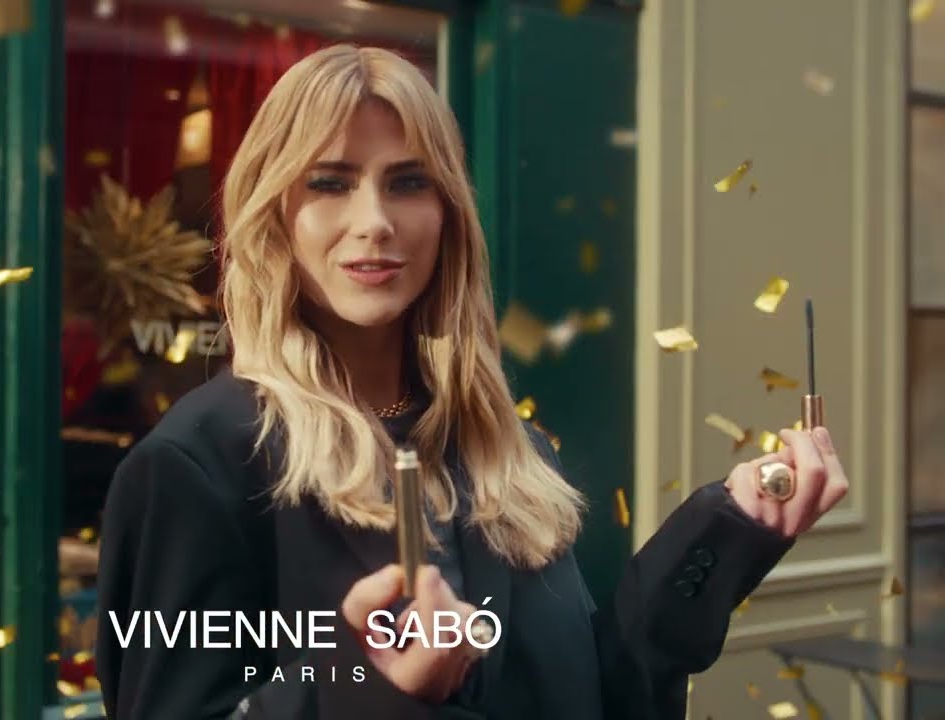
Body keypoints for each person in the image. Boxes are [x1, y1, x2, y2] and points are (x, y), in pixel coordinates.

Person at [94, 45, 849, 719]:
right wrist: (374, 690)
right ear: (275, 217)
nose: (375, 220)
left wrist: (728, 528)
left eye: (408, 183)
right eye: (329, 183)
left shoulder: (512, 450)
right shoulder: (198, 467)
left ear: (448, 214)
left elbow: (589, 693)